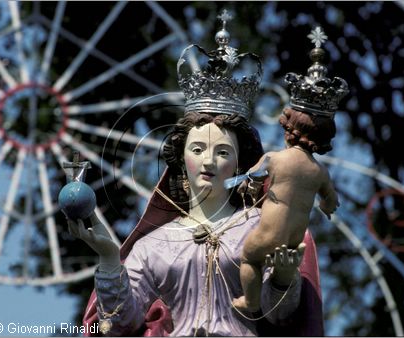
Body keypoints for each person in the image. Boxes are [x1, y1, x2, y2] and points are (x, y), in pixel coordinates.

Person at [66, 13, 327, 336]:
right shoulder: (154, 244)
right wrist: (108, 258)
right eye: (198, 150)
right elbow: (120, 323)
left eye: (222, 152)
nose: (209, 161)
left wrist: (284, 279)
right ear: (182, 160)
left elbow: (282, 319)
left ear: (239, 164)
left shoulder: (262, 228)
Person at [232, 106, 339, 312]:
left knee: (250, 259)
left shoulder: (274, 158)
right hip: (294, 240)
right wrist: (326, 207)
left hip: (270, 234)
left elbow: (252, 176)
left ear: (289, 132)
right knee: (280, 270)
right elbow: (332, 201)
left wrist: (247, 185)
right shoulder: (320, 171)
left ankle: (251, 302)